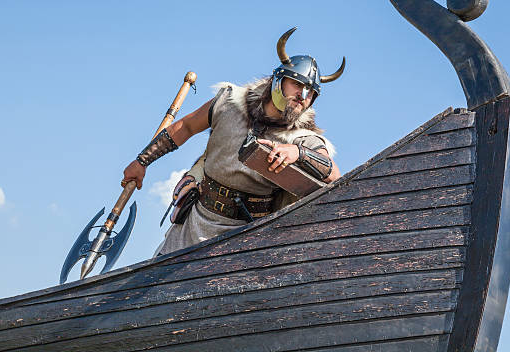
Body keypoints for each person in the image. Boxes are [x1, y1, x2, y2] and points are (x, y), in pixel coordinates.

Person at [121, 27, 345, 256]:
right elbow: (185, 127)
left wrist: (298, 154)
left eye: (311, 93)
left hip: (244, 239)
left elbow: (334, 176)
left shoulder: (302, 138)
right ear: (278, 80)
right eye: (297, 84)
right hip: (194, 221)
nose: (303, 96)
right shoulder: (229, 102)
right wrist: (142, 162)